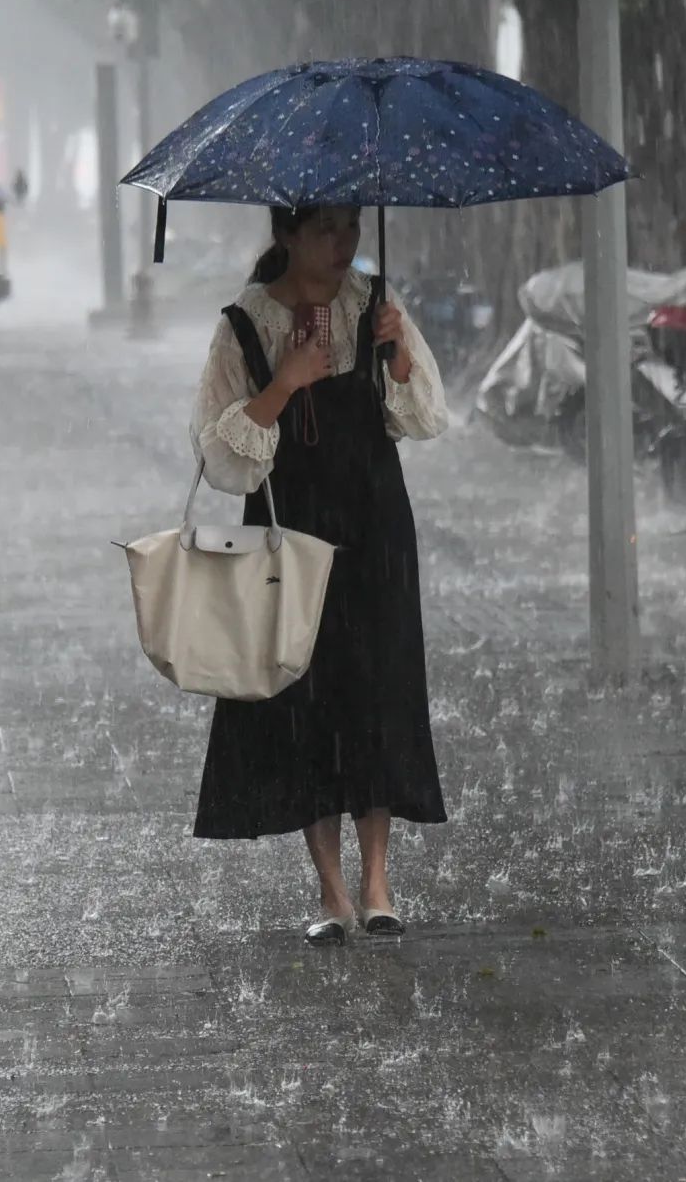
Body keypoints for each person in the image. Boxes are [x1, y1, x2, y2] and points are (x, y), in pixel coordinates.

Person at [189, 204, 449, 945]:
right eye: (329, 228)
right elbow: (221, 455)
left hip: (375, 525)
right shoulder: (245, 324)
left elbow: (422, 415)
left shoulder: (374, 305)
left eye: (353, 226)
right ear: (288, 234)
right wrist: (286, 382)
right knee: (307, 691)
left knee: (377, 687)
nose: (346, 243)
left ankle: (377, 881)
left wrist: (396, 355)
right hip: (291, 526)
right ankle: (330, 890)